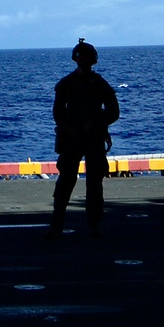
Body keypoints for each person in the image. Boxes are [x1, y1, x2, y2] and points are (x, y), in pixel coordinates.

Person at [49, 38, 120, 237]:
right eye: (81, 58)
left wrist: (94, 123)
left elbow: (113, 112)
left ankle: (92, 224)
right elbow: (58, 113)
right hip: (73, 138)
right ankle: (58, 224)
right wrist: (68, 128)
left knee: (94, 183)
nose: (83, 61)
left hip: (92, 138)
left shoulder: (97, 84)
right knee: (66, 182)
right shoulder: (67, 84)